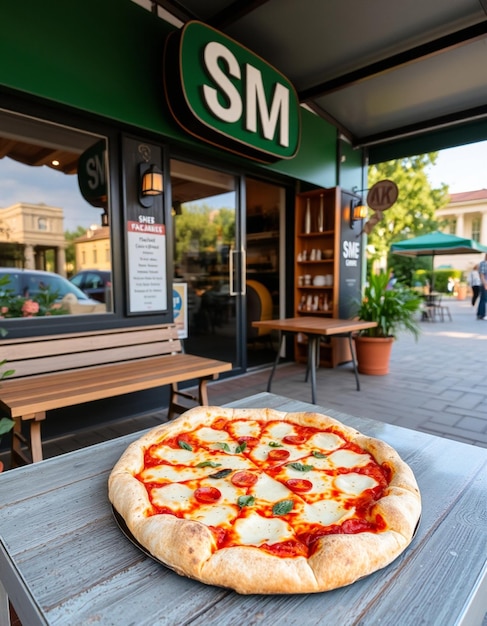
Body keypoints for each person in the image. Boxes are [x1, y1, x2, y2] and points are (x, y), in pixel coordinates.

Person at [476, 253, 487, 320]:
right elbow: (482, 275)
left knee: (483, 299)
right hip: (485, 284)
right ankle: (481, 314)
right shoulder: (483, 263)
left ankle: (480, 314)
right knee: (483, 299)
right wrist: (485, 284)